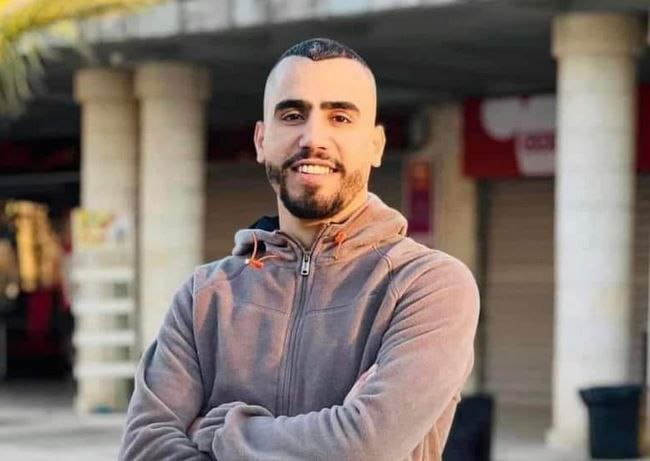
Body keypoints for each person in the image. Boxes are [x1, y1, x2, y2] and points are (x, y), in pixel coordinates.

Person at [119, 38, 479, 461]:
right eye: (292, 115)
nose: (313, 138)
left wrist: (220, 432)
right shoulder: (204, 296)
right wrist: (332, 433)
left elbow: (364, 446)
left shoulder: (428, 285)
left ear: (375, 145)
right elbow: (144, 448)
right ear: (261, 140)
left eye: (340, 117)